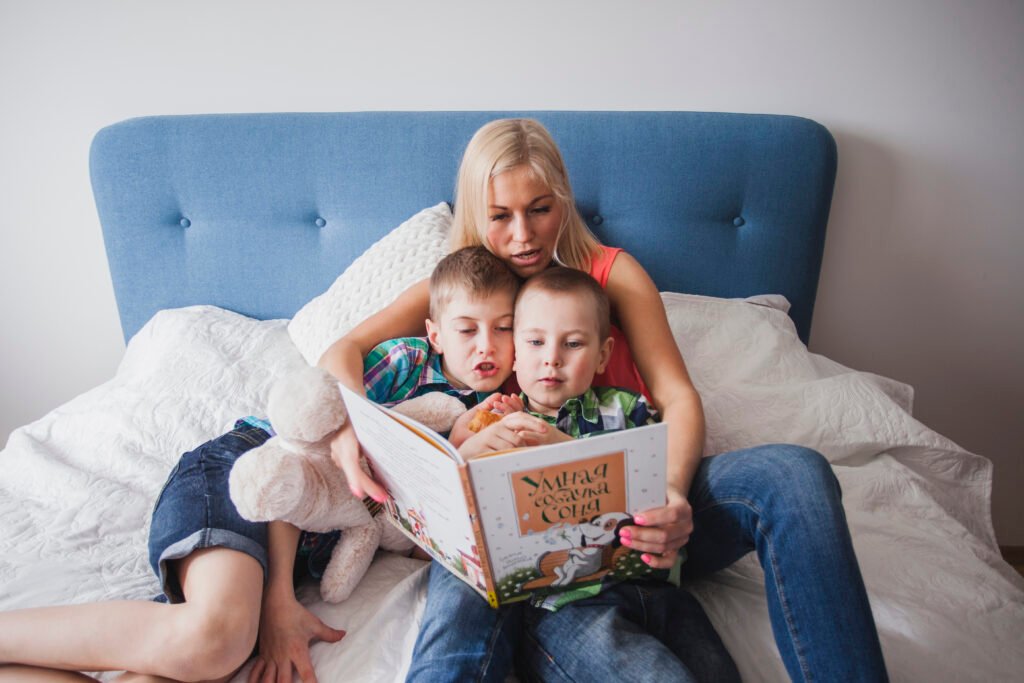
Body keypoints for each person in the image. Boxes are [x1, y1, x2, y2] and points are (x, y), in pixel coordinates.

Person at [320, 118, 889, 681]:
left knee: (795, 474)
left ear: (563, 202)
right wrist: (353, 424)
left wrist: (670, 493)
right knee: (464, 595)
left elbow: (678, 397)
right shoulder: (462, 294)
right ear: (476, 213)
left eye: (540, 208)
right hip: (521, 532)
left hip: (639, 511)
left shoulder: (612, 276)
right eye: (500, 216)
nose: (523, 235)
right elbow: (341, 350)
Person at [0, 246, 522, 683]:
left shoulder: (494, 413)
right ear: (435, 334)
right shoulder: (405, 365)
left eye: (503, 330)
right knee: (216, 641)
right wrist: (277, 602)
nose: (487, 346)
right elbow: (295, 463)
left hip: (297, 546)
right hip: (243, 474)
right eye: (468, 329)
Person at [409, 265, 740, 683]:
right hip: (569, 601)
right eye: (534, 341)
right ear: (515, 350)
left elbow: (651, 480)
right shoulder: (498, 424)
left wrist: (559, 445)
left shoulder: (629, 410)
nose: (551, 358)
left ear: (602, 354)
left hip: (659, 591)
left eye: (573, 344)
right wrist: (471, 450)